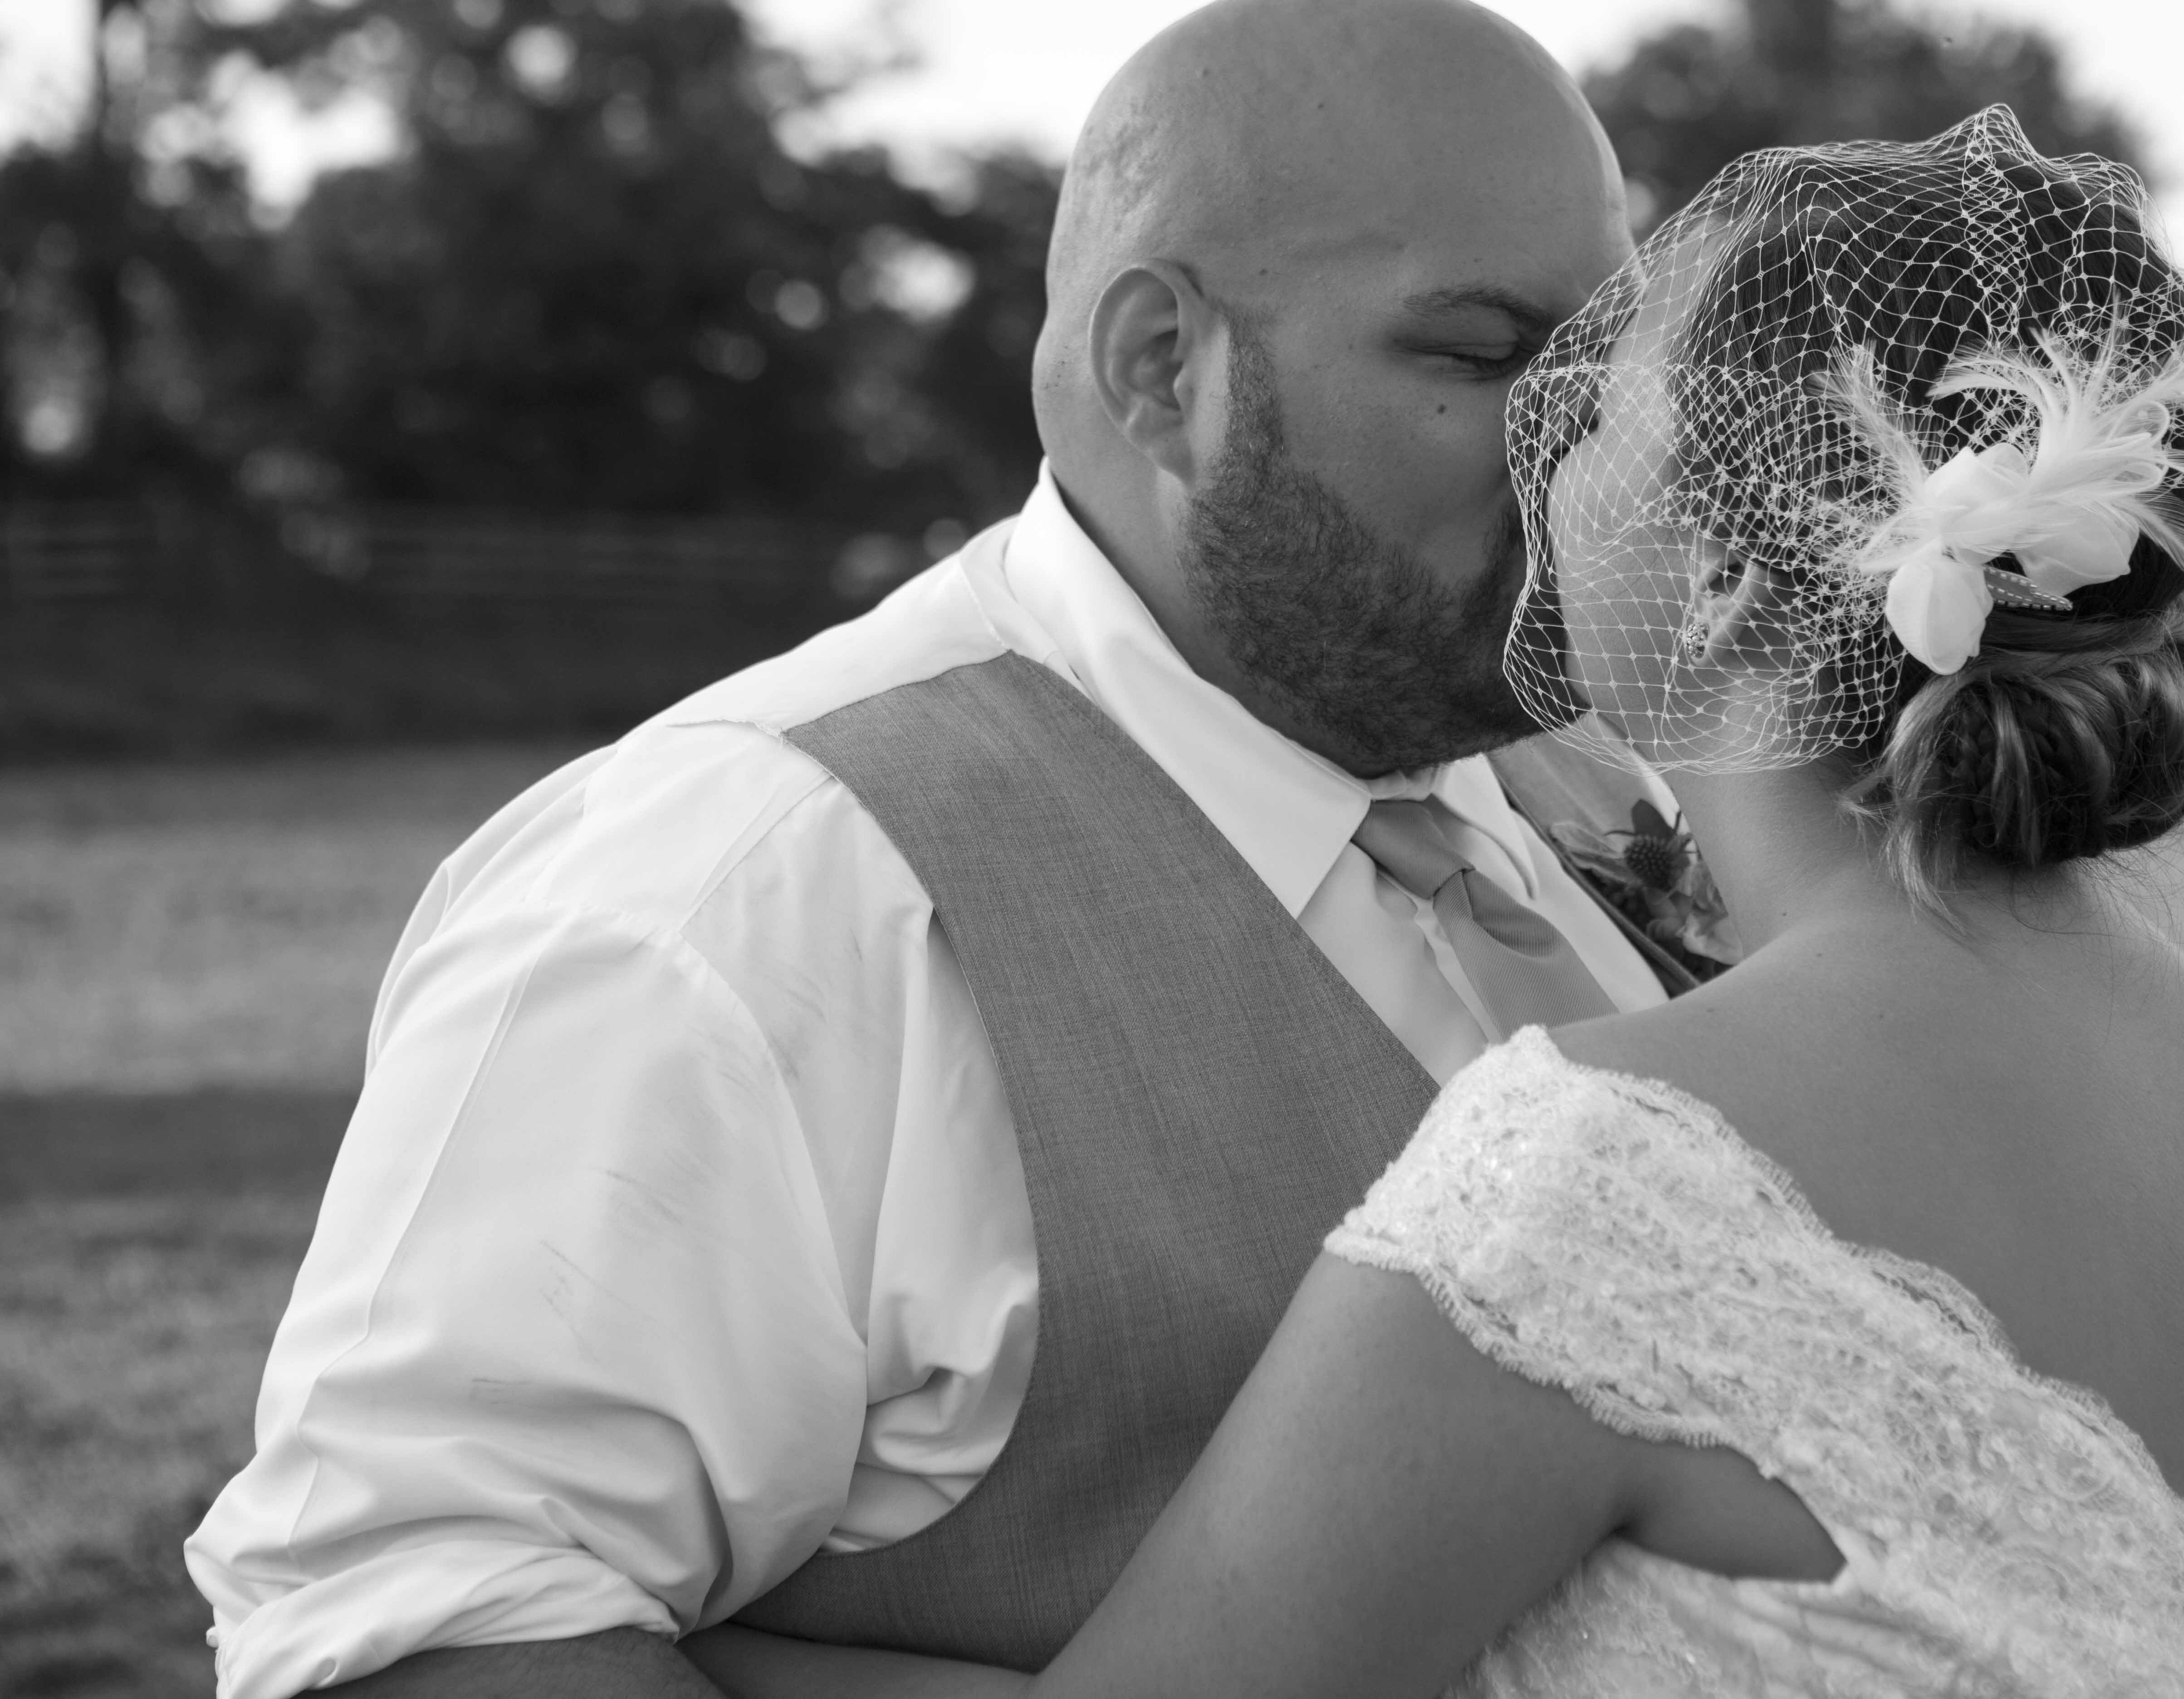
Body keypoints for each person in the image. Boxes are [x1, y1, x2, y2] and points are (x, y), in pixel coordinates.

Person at [687, 109, 2184, 1697]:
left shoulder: (1610, 1184)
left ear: (1722, 582)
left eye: (1599, 413)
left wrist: (682, 1649)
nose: (1536, 450)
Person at [185, 2, 1686, 1694]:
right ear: (1164, 369)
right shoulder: (744, 895)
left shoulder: (1637, 783)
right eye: (1485, 357)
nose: (1598, 449)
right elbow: (423, 1628)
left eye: (1612, 370)